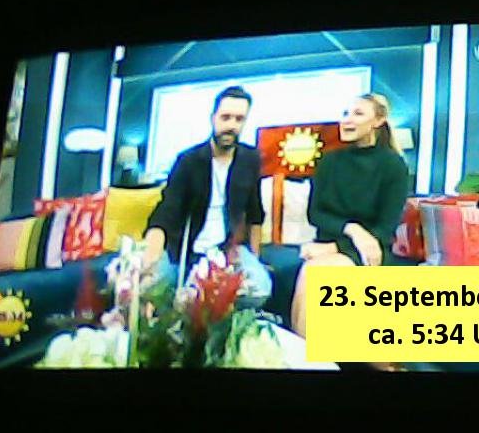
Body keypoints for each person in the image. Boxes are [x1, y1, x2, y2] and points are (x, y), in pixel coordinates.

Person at [290, 93, 409, 357]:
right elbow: (316, 214)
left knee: (318, 274)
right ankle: (304, 360)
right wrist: (352, 230)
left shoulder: (393, 166)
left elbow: (384, 230)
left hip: (369, 252)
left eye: (358, 114)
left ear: (378, 121)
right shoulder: (329, 161)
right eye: (345, 113)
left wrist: (337, 247)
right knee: (310, 272)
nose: (346, 120)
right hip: (333, 244)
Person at [142, 86, 271, 298]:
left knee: (260, 290)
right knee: (150, 287)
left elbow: (255, 215)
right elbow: (166, 213)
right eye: (225, 117)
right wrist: (151, 257)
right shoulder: (189, 161)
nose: (231, 126)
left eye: (239, 119)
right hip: (185, 251)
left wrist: (254, 258)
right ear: (213, 118)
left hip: (227, 250)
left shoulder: (250, 160)